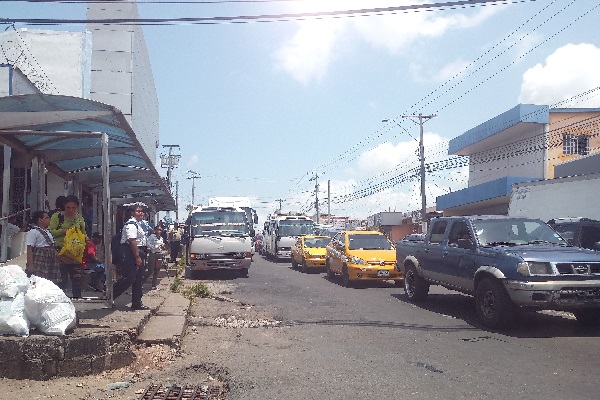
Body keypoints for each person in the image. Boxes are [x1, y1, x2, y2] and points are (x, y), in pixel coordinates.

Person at [49, 194, 86, 299]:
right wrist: (63, 231)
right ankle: (60, 302)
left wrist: (84, 239)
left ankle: (77, 301)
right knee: (61, 279)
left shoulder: (79, 218)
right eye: (68, 207)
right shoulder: (57, 216)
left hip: (75, 252)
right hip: (60, 251)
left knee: (77, 279)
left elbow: (84, 233)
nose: (71, 210)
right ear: (64, 206)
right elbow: (50, 231)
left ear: (77, 207)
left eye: (73, 208)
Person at [112, 204, 149, 310]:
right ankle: (110, 295)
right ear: (132, 213)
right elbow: (131, 240)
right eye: (138, 211)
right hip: (130, 253)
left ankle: (137, 302)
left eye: (142, 211)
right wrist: (137, 257)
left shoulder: (139, 224)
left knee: (138, 279)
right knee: (129, 278)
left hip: (139, 252)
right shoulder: (131, 224)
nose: (141, 213)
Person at [25, 210, 60, 281]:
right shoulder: (33, 232)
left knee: (50, 280)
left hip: (50, 258)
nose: (49, 220)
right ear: (40, 220)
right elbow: (29, 249)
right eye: (46, 218)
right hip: (40, 258)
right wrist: (30, 265)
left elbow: (51, 246)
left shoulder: (48, 232)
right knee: (40, 279)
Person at [145, 225, 166, 289]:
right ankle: (141, 282)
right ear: (155, 230)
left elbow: (162, 246)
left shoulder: (161, 238)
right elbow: (148, 243)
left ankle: (153, 285)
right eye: (158, 229)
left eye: (160, 230)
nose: (159, 231)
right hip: (153, 253)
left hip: (159, 254)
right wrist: (154, 247)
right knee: (150, 270)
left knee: (157, 270)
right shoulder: (152, 236)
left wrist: (162, 246)